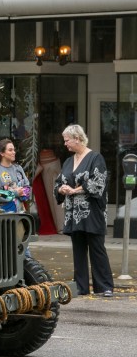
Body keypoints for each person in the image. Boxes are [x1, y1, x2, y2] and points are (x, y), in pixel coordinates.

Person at [54, 124, 114, 297]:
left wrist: (76, 190)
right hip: (73, 214)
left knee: (97, 248)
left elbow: (98, 183)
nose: (65, 144)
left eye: (67, 140)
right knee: (78, 250)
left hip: (92, 212)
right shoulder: (68, 161)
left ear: (78, 138)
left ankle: (104, 286)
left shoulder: (96, 158)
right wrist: (61, 189)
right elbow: (58, 183)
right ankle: (81, 286)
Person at [0, 138, 31, 214]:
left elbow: (27, 187)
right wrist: (15, 193)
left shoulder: (18, 168)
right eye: (10, 150)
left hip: (19, 215)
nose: (14, 152)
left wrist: (24, 193)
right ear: (2, 153)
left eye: (14, 150)